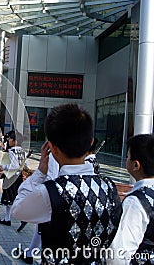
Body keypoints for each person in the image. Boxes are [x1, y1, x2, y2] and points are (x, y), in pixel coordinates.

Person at [11, 103, 122, 264]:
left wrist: (40, 173)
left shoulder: (51, 192)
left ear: (52, 148)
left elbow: (18, 210)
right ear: (91, 142)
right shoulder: (110, 187)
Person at [108, 134, 154, 264]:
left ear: (136, 165)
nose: (125, 160)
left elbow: (118, 254)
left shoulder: (136, 202)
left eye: (127, 156)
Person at [0, 130, 27, 228]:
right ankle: (8, 218)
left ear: (15, 141)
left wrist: (3, 167)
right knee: (15, 197)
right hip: (18, 178)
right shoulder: (23, 152)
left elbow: (13, 166)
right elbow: (24, 165)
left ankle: (10, 218)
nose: (9, 140)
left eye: (10, 138)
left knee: (9, 199)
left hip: (11, 177)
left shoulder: (12, 152)